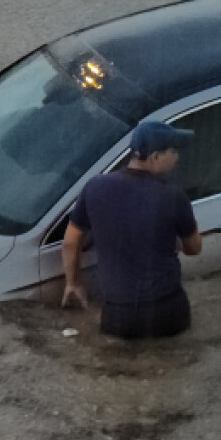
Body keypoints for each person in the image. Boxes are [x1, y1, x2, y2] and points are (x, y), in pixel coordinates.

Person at [61, 121, 202, 339]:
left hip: (119, 314)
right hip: (167, 309)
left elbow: (71, 241)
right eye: (173, 152)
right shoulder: (173, 195)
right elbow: (194, 248)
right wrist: (174, 240)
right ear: (155, 157)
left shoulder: (95, 187)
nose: (177, 158)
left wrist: (73, 283)